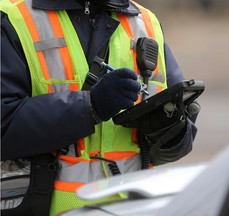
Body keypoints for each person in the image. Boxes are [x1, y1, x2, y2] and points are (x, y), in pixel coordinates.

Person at [1, 0, 200, 215]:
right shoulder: (13, 17)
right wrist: (90, 107)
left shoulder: (145, 23)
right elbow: (4, 124)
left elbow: (179, 145)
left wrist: (169, 127)